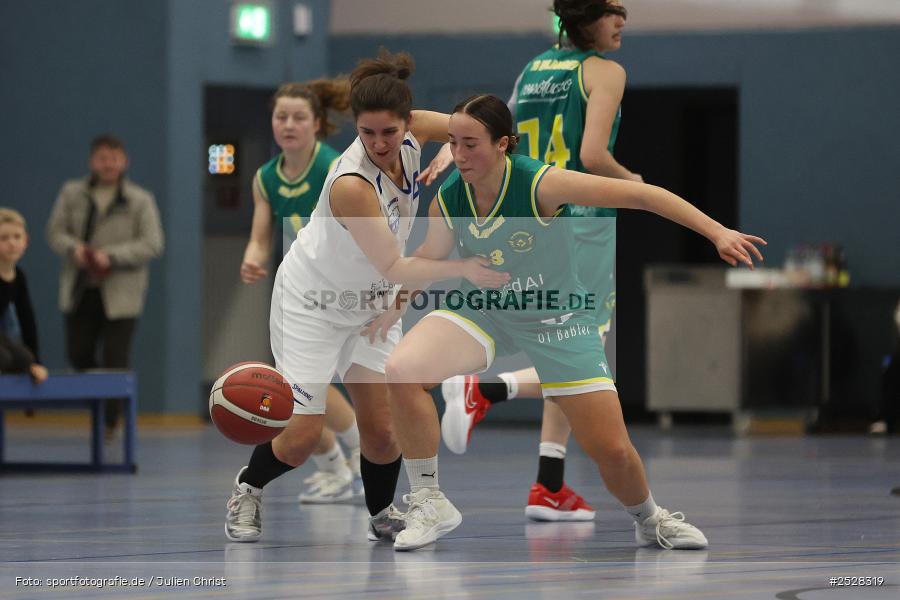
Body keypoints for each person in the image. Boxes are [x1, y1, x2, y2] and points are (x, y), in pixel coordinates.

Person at [384, 94, 765, 551]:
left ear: (504, 144)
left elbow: (642, 196)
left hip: (556, 316)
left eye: (471, 144)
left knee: (612, 450)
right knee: (402, 369)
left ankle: (649, 519)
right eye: (452, 144)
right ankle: (428, 500)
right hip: (484, 308)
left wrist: (717, 232)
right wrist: (394, 302)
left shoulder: (541, 184)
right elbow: (429, 255)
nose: (459, 156)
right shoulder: (450, 196)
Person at [223, 50, 506, 545]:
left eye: (389, 133)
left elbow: (476, 126)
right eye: (366, 132)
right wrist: (462, 266)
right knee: (303, 437)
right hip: (312, 304)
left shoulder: (417, 132)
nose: (378, 142)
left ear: (407, 124)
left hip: (370, 302)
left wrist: (453, 150)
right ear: (355, 128)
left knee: (382, 430)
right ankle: (248, 487)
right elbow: (397, 267)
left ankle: (381, 513)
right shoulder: (353, 184)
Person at [439, 0, 639, 522]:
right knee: (584, 346)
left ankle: (549, 485)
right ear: (588, 17)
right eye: (615, 10)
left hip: (526, 211)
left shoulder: (533, 69)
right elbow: (594, 156)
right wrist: (630, 180)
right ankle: (485, 387)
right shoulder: (605, 71)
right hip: (579, 217)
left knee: (561, 338)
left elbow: (509, 139)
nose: (623, 20)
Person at [240, 80, 367, 504]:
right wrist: (253, 257)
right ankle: (335, 465)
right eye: (281, 117)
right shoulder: (265, 177)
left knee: (324, 386)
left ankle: (358, 455)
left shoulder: (335, 168)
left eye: (298, 117)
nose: (288, 125)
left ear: (317, 124)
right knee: (298, 389)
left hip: (348, 288)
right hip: (302, 292)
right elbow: (261, 236)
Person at [46, 135, 164, 433]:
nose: (108, 163)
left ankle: (110, 420)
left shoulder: (140, 199)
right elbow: (55, 232)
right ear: (92, 162)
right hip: (80, 289)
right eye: (102, 158)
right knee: (78, 352)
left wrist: (110, 257)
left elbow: (152, 244)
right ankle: (98, 403)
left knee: (115, 358)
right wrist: (76, 250)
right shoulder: (72, 193)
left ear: (124, 161)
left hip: (121, 294)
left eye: (114, 157)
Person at [0, 208, 48, 384]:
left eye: (17, 237)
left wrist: (36, 362)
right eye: (3, 238)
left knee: (24, 359)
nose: (12, 243)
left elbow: (27, 320)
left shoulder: (19, 277)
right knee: (4, 358)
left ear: (26, 240)